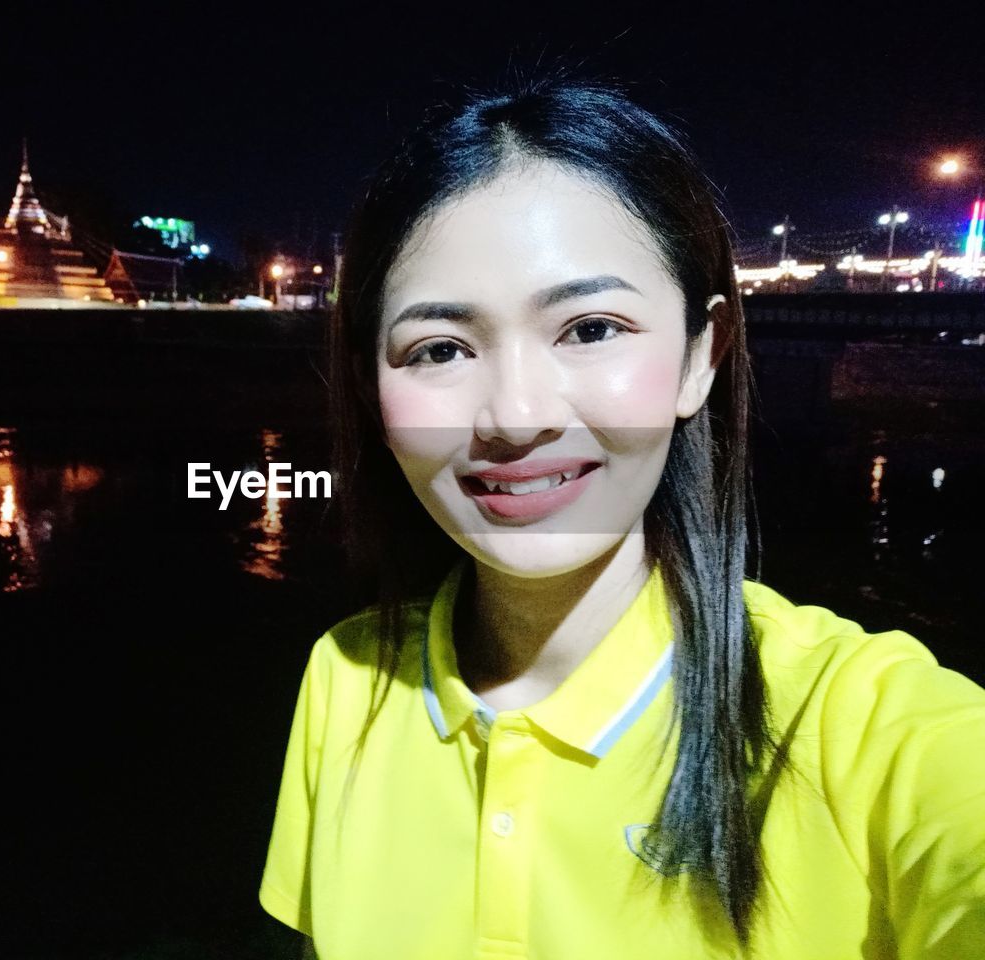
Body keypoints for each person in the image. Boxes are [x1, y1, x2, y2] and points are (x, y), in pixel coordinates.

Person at [257, 74, 985, 959]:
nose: (515, 415)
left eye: (591, 328)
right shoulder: (348, 681)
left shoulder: (864, 731)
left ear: (698, 359)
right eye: (439, 349)